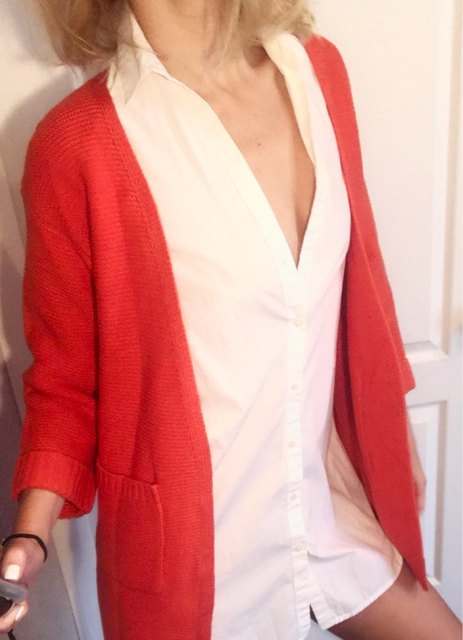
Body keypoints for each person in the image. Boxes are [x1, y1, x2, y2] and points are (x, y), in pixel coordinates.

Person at [0, 1, 461, 639]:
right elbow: (65, 385)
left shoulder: (317, 72)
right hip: (196, 564)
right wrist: (29, 538)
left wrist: (394, 420)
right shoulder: (78, 145)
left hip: (328, 505)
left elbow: (364, 272)